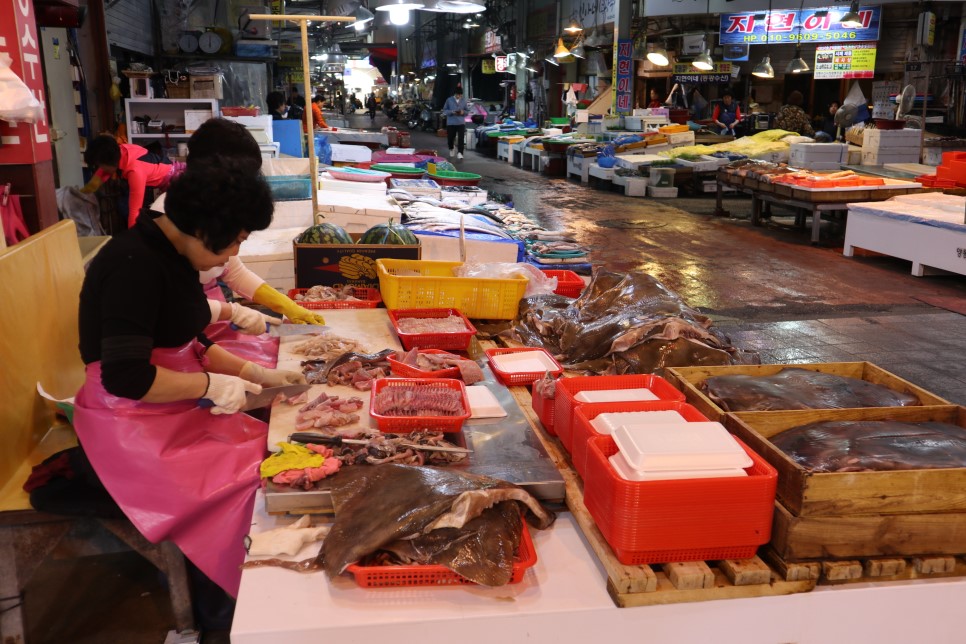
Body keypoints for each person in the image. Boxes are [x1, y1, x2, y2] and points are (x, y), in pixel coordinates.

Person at [73, 157, 305, 607]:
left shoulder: (175, 253)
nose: (234, 254)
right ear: (204, 230)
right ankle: (241, 603)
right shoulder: (132, 264)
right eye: (235, 241)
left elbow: (191, 341)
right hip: (129, 422)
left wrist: (257, 374)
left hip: (165, 403)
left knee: (275, 450)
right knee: (245, 482)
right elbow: (126, 377)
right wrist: (207, 387)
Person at [150, 118, 327, 331]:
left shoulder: (214, 211)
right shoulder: (168, 222)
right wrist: (232, 312)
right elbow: (171, 306)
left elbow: (232, 270)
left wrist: (288, 306)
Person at [83, 135, 185, 229]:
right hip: (169, 171)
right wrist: (85, 192)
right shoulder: (120, 150)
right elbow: (102, 172)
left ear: (109, 163)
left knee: (175, 219)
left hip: (176, 180)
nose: (100, 169)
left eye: (100, 165)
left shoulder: (136, 172)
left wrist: (132, 237)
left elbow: (135, 211)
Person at [442, 87, 467, 160]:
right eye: (457, 94)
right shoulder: (449, 100)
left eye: (460, 95)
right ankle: (451, 148)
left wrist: (463, 112)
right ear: (454, 94)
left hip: (461, 122)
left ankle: (460, 152)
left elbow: (467, 111)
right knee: (450, 138)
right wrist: (451, 112)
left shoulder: (463, 101)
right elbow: (444, 110)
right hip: (451, 122)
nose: (458, 96)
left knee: (461, 138)